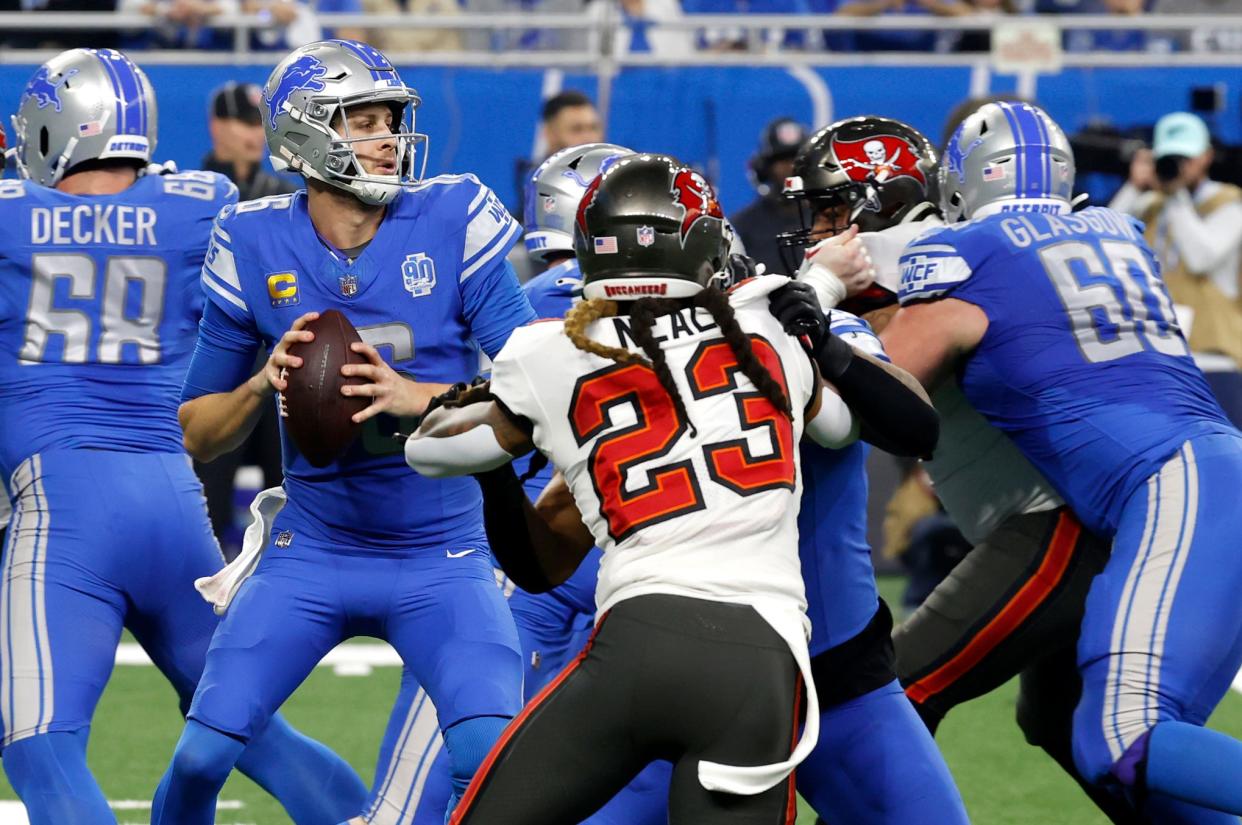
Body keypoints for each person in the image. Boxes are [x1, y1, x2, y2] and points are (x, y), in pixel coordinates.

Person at [406, 154, 943, 824]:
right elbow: (853, 425)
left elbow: (431, 449)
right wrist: (819, 318)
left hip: (795, 660)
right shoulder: (775, 325)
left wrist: (824, 327)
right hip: (772, 660)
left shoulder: (562, 350)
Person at [150, 39, 532, 824]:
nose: (388, 136)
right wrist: (262, 381)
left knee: (488, 761)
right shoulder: (256, 239)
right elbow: (196, 431)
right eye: (363, 120)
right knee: (198, 759)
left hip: (442, 553)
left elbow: (537, 389)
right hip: (313, 551)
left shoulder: (451, 215)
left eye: (390, 118)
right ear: (305, 134)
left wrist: (419, 395)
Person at [0, 48, 368, 825]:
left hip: (62, 507)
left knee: (40, 744)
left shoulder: (7, 214)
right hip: (173, 501)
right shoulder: (199, 202)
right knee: (252, 730)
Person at [884, 100, 1242, 819]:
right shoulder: (1118, 229)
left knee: (1123, 732)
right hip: (1199, 471)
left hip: (1172, 480)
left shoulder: (966, 253)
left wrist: (820, 315)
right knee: (1095, 741)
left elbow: (873, 391)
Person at [1110, 111, 1242, 425]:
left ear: (1207, 156)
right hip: (1156, 355)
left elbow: (1200, 258)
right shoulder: (1151, 203)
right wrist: (1134, 186)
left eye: (1186, 157)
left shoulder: (1229, 203)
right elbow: (1106, 240)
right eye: (1170, 158)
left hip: (1213, 357)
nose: (1179, 166)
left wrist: (1175, 195)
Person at [729, 117, 808, 276]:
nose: (791, 167)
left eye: (796, 159)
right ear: (764, 169)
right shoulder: (742, 226)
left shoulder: (829, 219)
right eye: (782, 160)